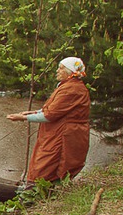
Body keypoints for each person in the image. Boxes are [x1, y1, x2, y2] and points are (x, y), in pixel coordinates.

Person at [7, 56, 91, 185]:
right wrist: (34, 112)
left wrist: (23, 118)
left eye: (61, 68)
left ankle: (35, 195)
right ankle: (42, 193)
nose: (57, 71)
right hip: (60, 132)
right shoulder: (69, 86)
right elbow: (55, 109)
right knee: (46, 164)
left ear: (69, 72)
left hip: (63, 135)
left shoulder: (71, 90)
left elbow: (49, 115)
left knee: (46, 165)